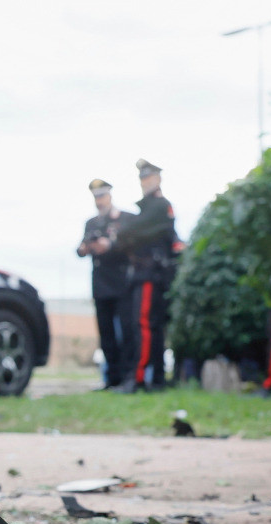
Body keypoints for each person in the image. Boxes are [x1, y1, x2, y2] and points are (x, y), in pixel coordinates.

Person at [110, 159, 176, 393]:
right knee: (152, 327)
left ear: (158, 179)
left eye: (148, 177)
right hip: (148, 274)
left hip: (150, 274)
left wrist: (124, 233)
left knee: (145, 325)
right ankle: (156, 379)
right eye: (142, 178)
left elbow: (132, 231)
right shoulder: (149, 209)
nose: (145, 182)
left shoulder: (158, 206)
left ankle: (138, 378)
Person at [76, 179, 130, 390]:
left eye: (102, 196)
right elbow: (80, 248)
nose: (99, 201)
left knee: (125, 333)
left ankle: (127, 377)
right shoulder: (91, 223)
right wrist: (85, 249)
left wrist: (110, 245)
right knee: (106, 334)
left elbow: (127, 245)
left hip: (121, 285)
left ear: (110, 196)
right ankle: (112, 379)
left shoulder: (122, 219)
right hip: (100, 286)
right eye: (96, 197)